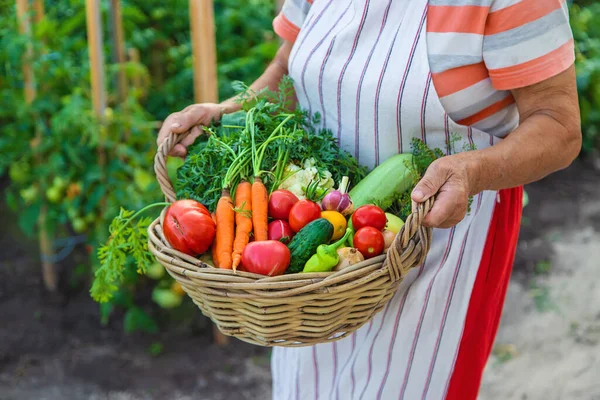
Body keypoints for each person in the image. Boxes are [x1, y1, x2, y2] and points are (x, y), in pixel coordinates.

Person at [158, 0, 581, 398]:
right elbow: (289, 69)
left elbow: (558, 126)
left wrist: (473, 171)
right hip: (312, 259)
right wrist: (229, 112)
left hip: (441, 244)